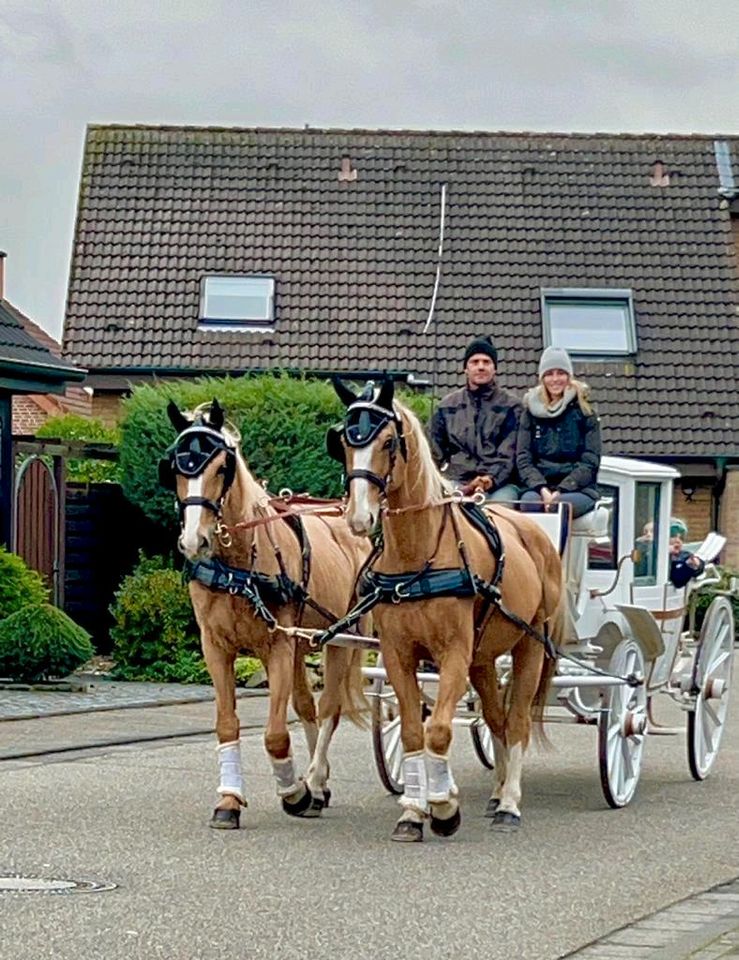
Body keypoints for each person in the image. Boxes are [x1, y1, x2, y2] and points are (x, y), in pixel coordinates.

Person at [430, 335, 521, 501]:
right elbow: (434, 452)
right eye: (475, 362)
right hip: (457, 481)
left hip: (499, 485)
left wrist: (488, 480)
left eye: (486, 362)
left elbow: (510, 454)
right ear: (466, 368)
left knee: (498, 513)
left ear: (495, 368)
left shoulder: (512, 407)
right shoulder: (446, 407)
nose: (481, 367)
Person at [517, 346, 601, 525]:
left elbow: (590, 461)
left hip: (578, 489)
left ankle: (558, 553)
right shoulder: (529, 414)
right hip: (538, 487)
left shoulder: (585, 414)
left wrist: (563, 489)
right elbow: (523, 458)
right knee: (529, 505)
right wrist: (541, 488)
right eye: (549, 374)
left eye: (560, 373)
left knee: (560, 507)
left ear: (569, 376)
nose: (555, 379)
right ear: (542, 378)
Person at [668, 517, 705, 588]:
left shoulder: (683, 556)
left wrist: (694, 565)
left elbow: (678, 580)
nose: (677, 541)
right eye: (672, 536)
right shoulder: (653, 556)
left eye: (681, 538)